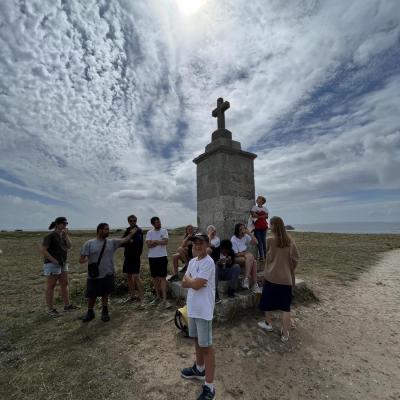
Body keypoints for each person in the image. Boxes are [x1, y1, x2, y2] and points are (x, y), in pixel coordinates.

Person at [181, 233, 216, 400]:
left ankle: (210, 387)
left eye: (201, 242)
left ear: (207, 244)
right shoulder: (192, 262)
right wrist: (190, 281)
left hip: (203, 311)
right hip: (193, 309)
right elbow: (183, 282)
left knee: (207, 348)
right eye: (195, 242)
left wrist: (190, 281)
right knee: (196, 340)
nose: (197, 245)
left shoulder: (208, 262)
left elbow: (194, 284)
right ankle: (199, 369)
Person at [79, 223, 136, 322]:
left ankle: (105, 312)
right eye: (106, 229)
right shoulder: (89, 243)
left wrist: (131, 234)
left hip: (108, 273)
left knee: (105, 294)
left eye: (108, 229)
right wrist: (90, 261)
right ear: (100, 230)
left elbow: (125, 240)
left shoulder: (111, 242)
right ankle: (90, 312)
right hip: (94, 275)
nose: (108, 231)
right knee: (92, 295)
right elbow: (81, 259)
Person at [257, 216, 299, 342]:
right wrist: (289, 268)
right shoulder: (290, 241)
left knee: (267, 302)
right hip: (286, 279)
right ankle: (285, 334)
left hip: (271, 276)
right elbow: (296, 259)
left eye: (270, 224)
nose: (269, 226)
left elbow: (268, 258)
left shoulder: (269, 240)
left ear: (274, 225)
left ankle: (268, 324)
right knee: (285, 307)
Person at [41, 216, 77, 317]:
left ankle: (67, 305)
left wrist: (66, 236)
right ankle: (50, 310)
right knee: (51, 286)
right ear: (57, 224)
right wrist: (53, 260)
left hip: (63, 263)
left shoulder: (63, 235)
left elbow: (69, 246)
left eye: (66, 224)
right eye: (63, 223)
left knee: (65, 284)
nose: (65, 225)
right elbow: (43, 250)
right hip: (52, 264)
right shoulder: (50, 236)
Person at [146, 216, 172, 309]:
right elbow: (148, 245)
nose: (159, 223)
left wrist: (155, 241)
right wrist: (159, 242)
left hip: (162, 257)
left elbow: (165, 242)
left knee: (162, 278)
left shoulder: (164, 231)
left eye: (159, 221)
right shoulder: (149, 232)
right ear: (153, 224)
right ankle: (157, 297)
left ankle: (164, 300)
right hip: (152, 257)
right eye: (156, 222)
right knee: (154, 278)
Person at [121, 214, 144, 306]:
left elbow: (137, 244)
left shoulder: (139, 231)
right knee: (129, 277)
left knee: (136, 278)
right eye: (131, 221)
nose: (132, 222)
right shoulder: (127, 230)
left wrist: (128, 240)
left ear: (136, 221)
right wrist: (129, 239)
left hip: (135, 257)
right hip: (127, 257)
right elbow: (122, 242)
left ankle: (142, 300)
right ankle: (132, 296)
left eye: (134, 220)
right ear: (128, 221)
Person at [231, 223, 261, 292]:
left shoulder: (245, 236)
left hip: (245, 256)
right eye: (240, 229)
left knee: (254, 261)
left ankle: (254, 284)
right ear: (237, 231)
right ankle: (246, 279)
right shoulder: (233, 239)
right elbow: (235, 254)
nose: (243, 230)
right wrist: (245, 253)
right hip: (236, 257)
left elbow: (256, 242)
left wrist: (249, 233)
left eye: (244, 228)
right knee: (250, 256)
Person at [251, 196, 269, 261]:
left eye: (259, 198)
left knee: (264, 241)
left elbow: (266, 216)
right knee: (259, 242)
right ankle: (261, 256)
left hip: (264, 226)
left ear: (262, 201)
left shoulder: (265, 208)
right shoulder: (254, 207)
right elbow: (253, 215)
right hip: (257, 226)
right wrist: (262, 216)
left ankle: (265, 256)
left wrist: (258, 216)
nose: (257, 199)